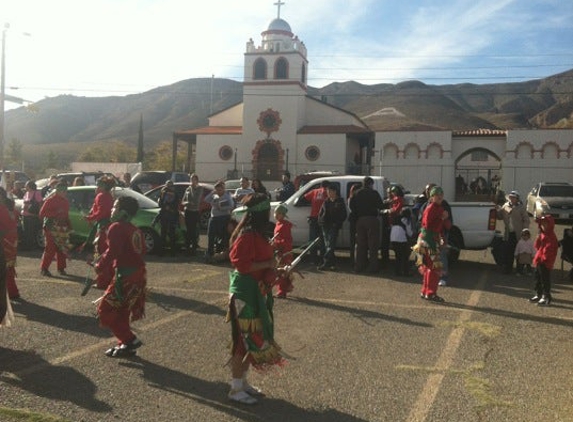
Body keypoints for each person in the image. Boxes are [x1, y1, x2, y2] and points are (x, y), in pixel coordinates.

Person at [226, 193, 286, 404]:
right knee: (242, 341)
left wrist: (274, 268)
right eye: (267, 210)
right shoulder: (247, 236)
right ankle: (234, 388)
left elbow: (260, 262)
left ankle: (242, 382)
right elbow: (241, 265)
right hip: (245, 294)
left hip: (256, 292)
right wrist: (268, 265)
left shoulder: (257, 234)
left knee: (251, 339)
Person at [96, 196, 147, 357]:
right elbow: (141, 251)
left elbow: (113, 252)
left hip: (126, 277)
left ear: (123, 213)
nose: (112, 209)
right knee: (122, 311)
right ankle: (125, 344)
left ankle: (129, 339)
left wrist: (100, 265)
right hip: (137, 276)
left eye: (115, 207)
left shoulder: (117, 227)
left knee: (105, 310)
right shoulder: (134, 229)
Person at [413, 186, 448, 302]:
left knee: (429, 267)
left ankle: (425, 291)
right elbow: (428, 225)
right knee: (434, 267)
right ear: (432, 197)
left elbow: (443, 226)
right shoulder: (432, 208)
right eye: (437, 195)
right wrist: (442, 218)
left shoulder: (436, 207)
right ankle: (431, 293)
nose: (440, 197)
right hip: (429, 241)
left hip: (428, 239)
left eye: (441, 195)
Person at [85, 176, 115, 289]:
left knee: (101, 253)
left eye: (98, 185)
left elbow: (101, 212)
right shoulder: (107, 196)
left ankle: (102, 281)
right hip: (106, 226)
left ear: (103, 187)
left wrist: (89, 218)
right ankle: (106, 278)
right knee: (105, 253)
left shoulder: (101, 196)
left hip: (103, 227)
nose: (96, 187)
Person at [348, 176, 384, 273]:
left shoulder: (356, 193)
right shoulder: (374, 193)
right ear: (371, 184)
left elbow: (351, 206)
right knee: (373, 245)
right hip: (372, 220)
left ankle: (359, 266)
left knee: (360, 245)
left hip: (360, 220)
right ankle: (372, 267)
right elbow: (381, 205)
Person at [39, 182, 71, 277]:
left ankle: (61, 268)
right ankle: (44, 268)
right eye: (63, 191)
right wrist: (55, 213)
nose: (65, 193)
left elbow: (66, 215)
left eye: (66, 191)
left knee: (62, 248)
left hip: (62, 226)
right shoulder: (50, 200)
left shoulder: (65, 201)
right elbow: (42, 213)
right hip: (51, 227)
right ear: (58, 191)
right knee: (50, 248)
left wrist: (69, 226)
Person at [496, 190, 530, 274]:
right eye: (510, 197)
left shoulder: (521, 207)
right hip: (509, 233)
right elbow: (500, 217)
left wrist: (525, 231)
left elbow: (526, 220)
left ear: (517, 199)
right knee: (509, 252)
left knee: (519, 252)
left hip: (518, 234)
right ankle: (508, 269)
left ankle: (519, 270)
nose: (511, 199)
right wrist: (497, 210)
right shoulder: (505, 206)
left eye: (514, 198)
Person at [530, 214, 558, 306]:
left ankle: (546, 296)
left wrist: (544, 258)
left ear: (550, 225)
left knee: (545, 280)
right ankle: (538, 294)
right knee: (537, 278)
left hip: (545, 262)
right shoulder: (542, 234)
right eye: (542, 224)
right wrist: (538, 238)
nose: (543, 226)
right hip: (539, 259)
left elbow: (550, 250)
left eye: (545, 224)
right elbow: (537, 246)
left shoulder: (551, 236)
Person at [317, 184, 347, 271]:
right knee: (328, 246)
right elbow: (321, 213)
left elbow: (343, 215)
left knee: (330, 245)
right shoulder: (326, 201)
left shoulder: (340, 202)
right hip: (325, 225)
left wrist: (337, 223)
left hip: (334, 226)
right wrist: (320, 221)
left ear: (335, 191)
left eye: (330, 191)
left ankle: (325, 263)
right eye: (327, 191)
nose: (328, 193)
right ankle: (332, 264)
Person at [204, 181, 233, 263]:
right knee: (211, 235)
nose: (218, 191)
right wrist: (212, 193)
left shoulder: (227, 196)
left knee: (222, 236)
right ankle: (210, 253)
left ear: (223, 189)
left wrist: (221, 208)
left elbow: (231, 205)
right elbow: (206, 199)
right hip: (214, 217)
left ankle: (221, 253)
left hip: (224, 217)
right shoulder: (214, 195)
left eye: (220, 190)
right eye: (217, 190)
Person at [0, 188, 20, 300]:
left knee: (5, 268)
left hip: (4, 241)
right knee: (8, 267)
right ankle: (13, 292)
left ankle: (12, 292)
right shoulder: (9, 208)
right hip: (11, 241)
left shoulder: (2, 209)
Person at [303, 180, 329, 265]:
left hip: (313, 218)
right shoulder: (328, 192)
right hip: (323, 219)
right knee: (323, 240)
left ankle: (313, 260)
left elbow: (304, 198)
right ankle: (322, 259)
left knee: (312, 240)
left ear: (320, 185)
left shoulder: (314, 191)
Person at [272, 204, 294, 299]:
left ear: (283, 215)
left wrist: (278, 244)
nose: (276, 215)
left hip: (285, 252)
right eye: (275, 213)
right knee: (282, 271)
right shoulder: (277, 224)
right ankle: (287, 287)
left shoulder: (285, 226)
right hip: (279, 251)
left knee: (282, 271)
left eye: (279, 214)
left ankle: (282, 291)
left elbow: (287, 240)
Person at [156, 180, 181, 257]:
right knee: (165, 234)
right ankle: (163, 252)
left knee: (170, 234)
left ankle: (171, 252)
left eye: (170, 186)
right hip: (165, 215)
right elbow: (160, 204)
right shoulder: (163, 193)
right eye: (168, 186)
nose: (169, 187)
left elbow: (177, 204)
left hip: (171, 216)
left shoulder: (174, 194)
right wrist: (166, 207)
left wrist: (169, 208)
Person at [182, 173, 204, 255]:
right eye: (191, 179)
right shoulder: (187, 189)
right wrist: (186, 203)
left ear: (197, 181)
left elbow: (196, 201)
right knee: (188, 230)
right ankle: (187, 248)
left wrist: (189, 202)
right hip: (188, 212)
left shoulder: (199, 188)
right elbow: (183, 201)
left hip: (195, 212)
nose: (192, 181)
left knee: (193, 230)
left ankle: (194, 247)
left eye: (194, 179)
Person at [390, 208, 414, 277]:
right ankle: (406, 272)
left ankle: (397, 272)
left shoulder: (396, 219)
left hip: (393, 239)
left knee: (398, 256)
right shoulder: (406, 220)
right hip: (401, 240)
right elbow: (409, 233)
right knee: (405, 256)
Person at [21, 181, 43, 250]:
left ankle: (31, 246)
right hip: (25, 215)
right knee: (26, 231)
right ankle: (27, 245)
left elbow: (40, 204)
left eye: (26, 185)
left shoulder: (37, 193)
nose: (25, 187)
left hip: (32, 216)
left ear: (30, 186)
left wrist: (40, 214)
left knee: (31, 231)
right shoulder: (26, 193)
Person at [347, 183, 360, 266]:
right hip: (356, 220)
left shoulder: (350, 198)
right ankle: (355, 260)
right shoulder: (353, 198)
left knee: (353, 242)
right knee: (357, 242)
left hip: (353, 221)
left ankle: (353, 260)